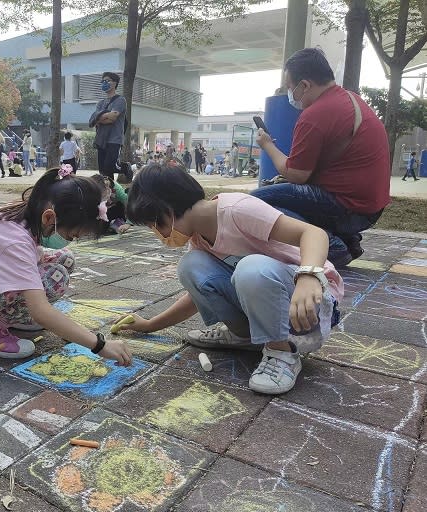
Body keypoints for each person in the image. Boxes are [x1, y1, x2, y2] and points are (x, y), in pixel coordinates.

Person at [118, 164, 343, 394]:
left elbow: (313, 233)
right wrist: (149, 325)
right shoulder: (198, 238)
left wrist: (307, 277)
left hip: (310, 303)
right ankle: (245, 336)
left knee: (250, 268)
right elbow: (198, 295)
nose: (159, 235)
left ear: (167, 210)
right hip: (276, 303)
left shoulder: (237, 209)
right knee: (191, 266)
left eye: (155, 226)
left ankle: (281, 352)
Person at [0, 165, 131, 363]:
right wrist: (99, 345)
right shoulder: (14, 242)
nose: (70, 240)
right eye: (70, 235)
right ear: (49, 217)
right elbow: (41, 311)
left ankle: (13, 318)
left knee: (65, 259)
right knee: (56, 278)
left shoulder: (26, 212)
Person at [253, 48, 390, 267]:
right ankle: (348, 240)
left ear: (305, 85)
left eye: (290, 88)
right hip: (370, 206)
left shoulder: (315, 114)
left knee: (257, 202)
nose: (291, 95)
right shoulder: (351, 99)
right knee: (283, 196)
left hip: (350, 208)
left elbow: (296, 175)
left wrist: (267, 145)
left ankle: (331, 248)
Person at [89, 72, 127, 180]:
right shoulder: (100, 103)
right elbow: (95, 120)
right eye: (103, 81)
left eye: (107, 81)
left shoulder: (120, 100)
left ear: (115, 83)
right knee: (103, 171)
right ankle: (110, 192)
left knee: (109, 166)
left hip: (114, 139)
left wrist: (100, 117)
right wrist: (104, 116)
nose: (104, 83)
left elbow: (113, 118)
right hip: (101, 139)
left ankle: (126, 167)